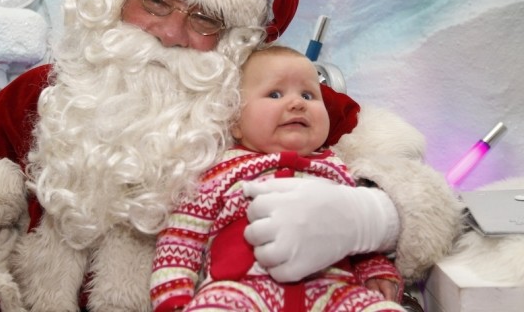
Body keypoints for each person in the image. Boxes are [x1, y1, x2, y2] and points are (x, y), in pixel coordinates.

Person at [0, 0, 461, 311]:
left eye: (204, 18)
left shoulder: (262, 98)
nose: (169, 32)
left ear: (231, 37)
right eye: (154, 1)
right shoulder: (36, 95)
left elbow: (416, 188)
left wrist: (370, 216)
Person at [150, 46, 405, 312]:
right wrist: (173, 299)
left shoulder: (338, 168)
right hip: (240, 288)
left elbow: (356, 236)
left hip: (331, 288)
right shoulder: (217, 170)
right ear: (235, 122)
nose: (297, 103)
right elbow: (182, 238)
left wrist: (376, 270)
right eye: (275, 94)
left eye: (308, 95)